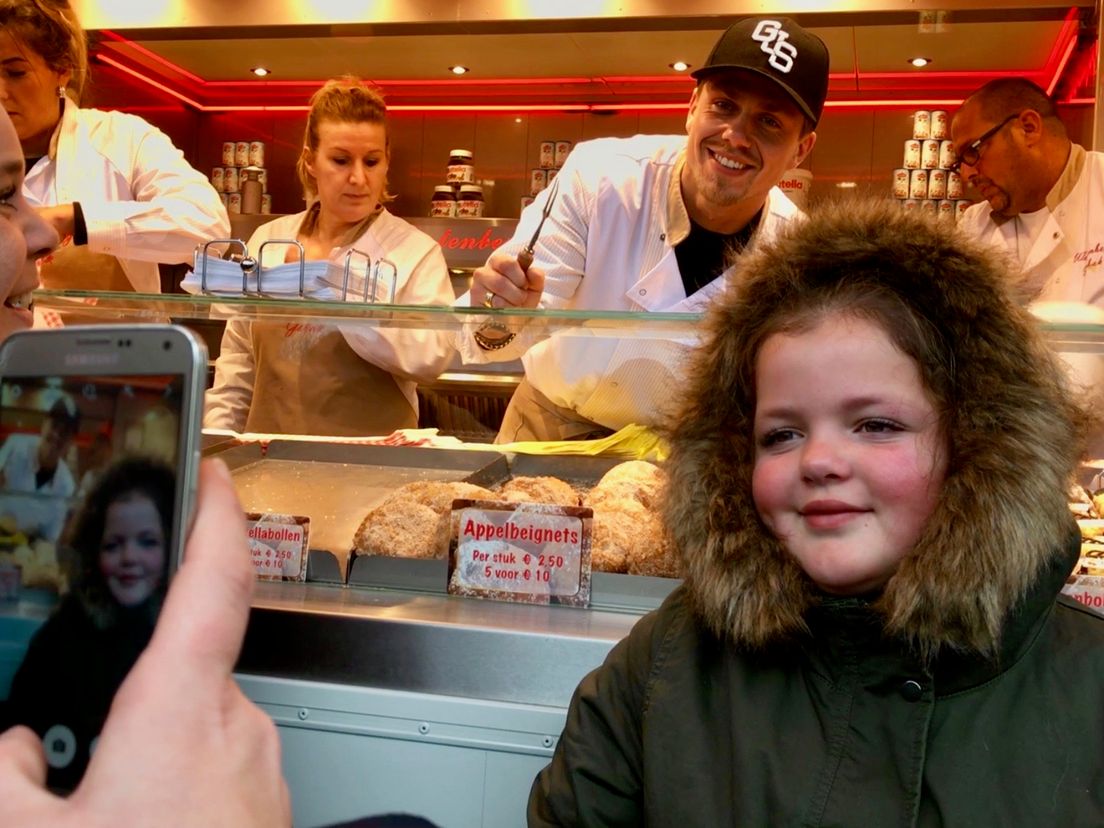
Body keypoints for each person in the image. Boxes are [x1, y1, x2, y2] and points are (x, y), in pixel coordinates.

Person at [528, 199, 1104, 825]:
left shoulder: (1085, 684)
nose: (819, 461)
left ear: (980, 443)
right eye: (780, 435)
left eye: (876, 425)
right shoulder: (665, 666)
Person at [0, 102, 288, 825]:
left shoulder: (124, 137)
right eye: (3, 197)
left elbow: (198, 218)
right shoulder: (55, 637)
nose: (42, 231)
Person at [458, 16, 828, 443]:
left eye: (770, 123)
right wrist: (498, 315)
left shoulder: (796, 252)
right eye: (724, 105)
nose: (735, 136)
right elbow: (508, 324)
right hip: (547, 430)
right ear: (693, 107)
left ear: (801, 149)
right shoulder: (600, 178)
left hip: (683, 458)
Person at [205, 77, 454, 436]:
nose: (358, 178)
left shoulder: (413, 251)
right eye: (340, 160)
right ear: (310, 161)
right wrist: (219, 444)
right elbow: (238, 367)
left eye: (371, 161)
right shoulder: (268, 241)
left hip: (368, 471)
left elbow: (432, 357)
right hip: (266, 459)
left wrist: (344, 302)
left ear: (387, 161)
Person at [0, 0, 229, 294]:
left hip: (117, 339)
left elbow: (208, 228)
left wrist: (74, 218)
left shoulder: (121, 138)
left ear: (62, 71)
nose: (2, 93)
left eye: (16, 73)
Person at [5, 457, 175, 791]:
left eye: (148, 542)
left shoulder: (177, 635)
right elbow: (20, 719)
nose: (129, 557)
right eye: (113, 545)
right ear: (93, 552)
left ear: (172, 548)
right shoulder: (65, 630)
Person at [950, 77, 1104, 304]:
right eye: (960, 162)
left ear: (1028, 128)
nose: (966, 175)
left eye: (972, 152)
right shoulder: (973, 227)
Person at [0, 395, 79, 543]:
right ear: (44, 425)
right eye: (54, 426)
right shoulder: (15, 446)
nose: (57, 436)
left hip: (29, 550)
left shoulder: (66, 484)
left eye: (65, 432)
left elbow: (51, 536)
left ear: (71, 441)